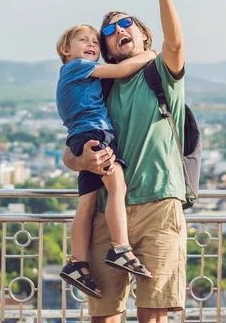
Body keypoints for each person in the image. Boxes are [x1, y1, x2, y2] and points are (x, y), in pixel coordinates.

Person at [63, 0, 187, 323]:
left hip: (158, 203)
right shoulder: (98, 87)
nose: (118, 32)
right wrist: (80, 160)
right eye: (109, 32)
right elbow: (70, 150)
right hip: (105, 210)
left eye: (125, 24)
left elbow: (176, 43)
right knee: (104, 315)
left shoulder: (161, 72)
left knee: (153, 315)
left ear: (144, 34)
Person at [55, 23, 156, 299]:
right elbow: (122, 70)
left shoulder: (75, 74)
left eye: (95, 43)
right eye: (83, 41)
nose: (91, 45)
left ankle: (77, 263)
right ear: (66, 50)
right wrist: (149, 54)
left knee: (86, 203)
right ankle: (120, 247)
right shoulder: (77, 67)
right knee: (117, 186)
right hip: (95, 132)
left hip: (80, 136)